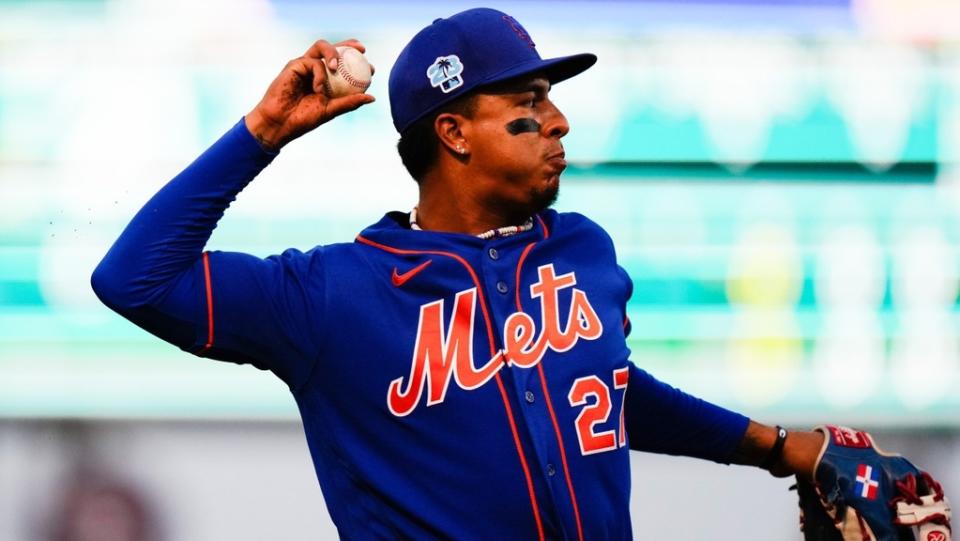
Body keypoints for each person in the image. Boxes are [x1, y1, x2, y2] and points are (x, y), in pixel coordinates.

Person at [91, 7, 939, 540]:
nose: (558, 120)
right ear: (455, 133)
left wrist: (773, 447)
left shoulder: (584, 252)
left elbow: (601, 384)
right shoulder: (328, 296)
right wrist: (263, 131)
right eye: (527, 105)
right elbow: (133, 278)